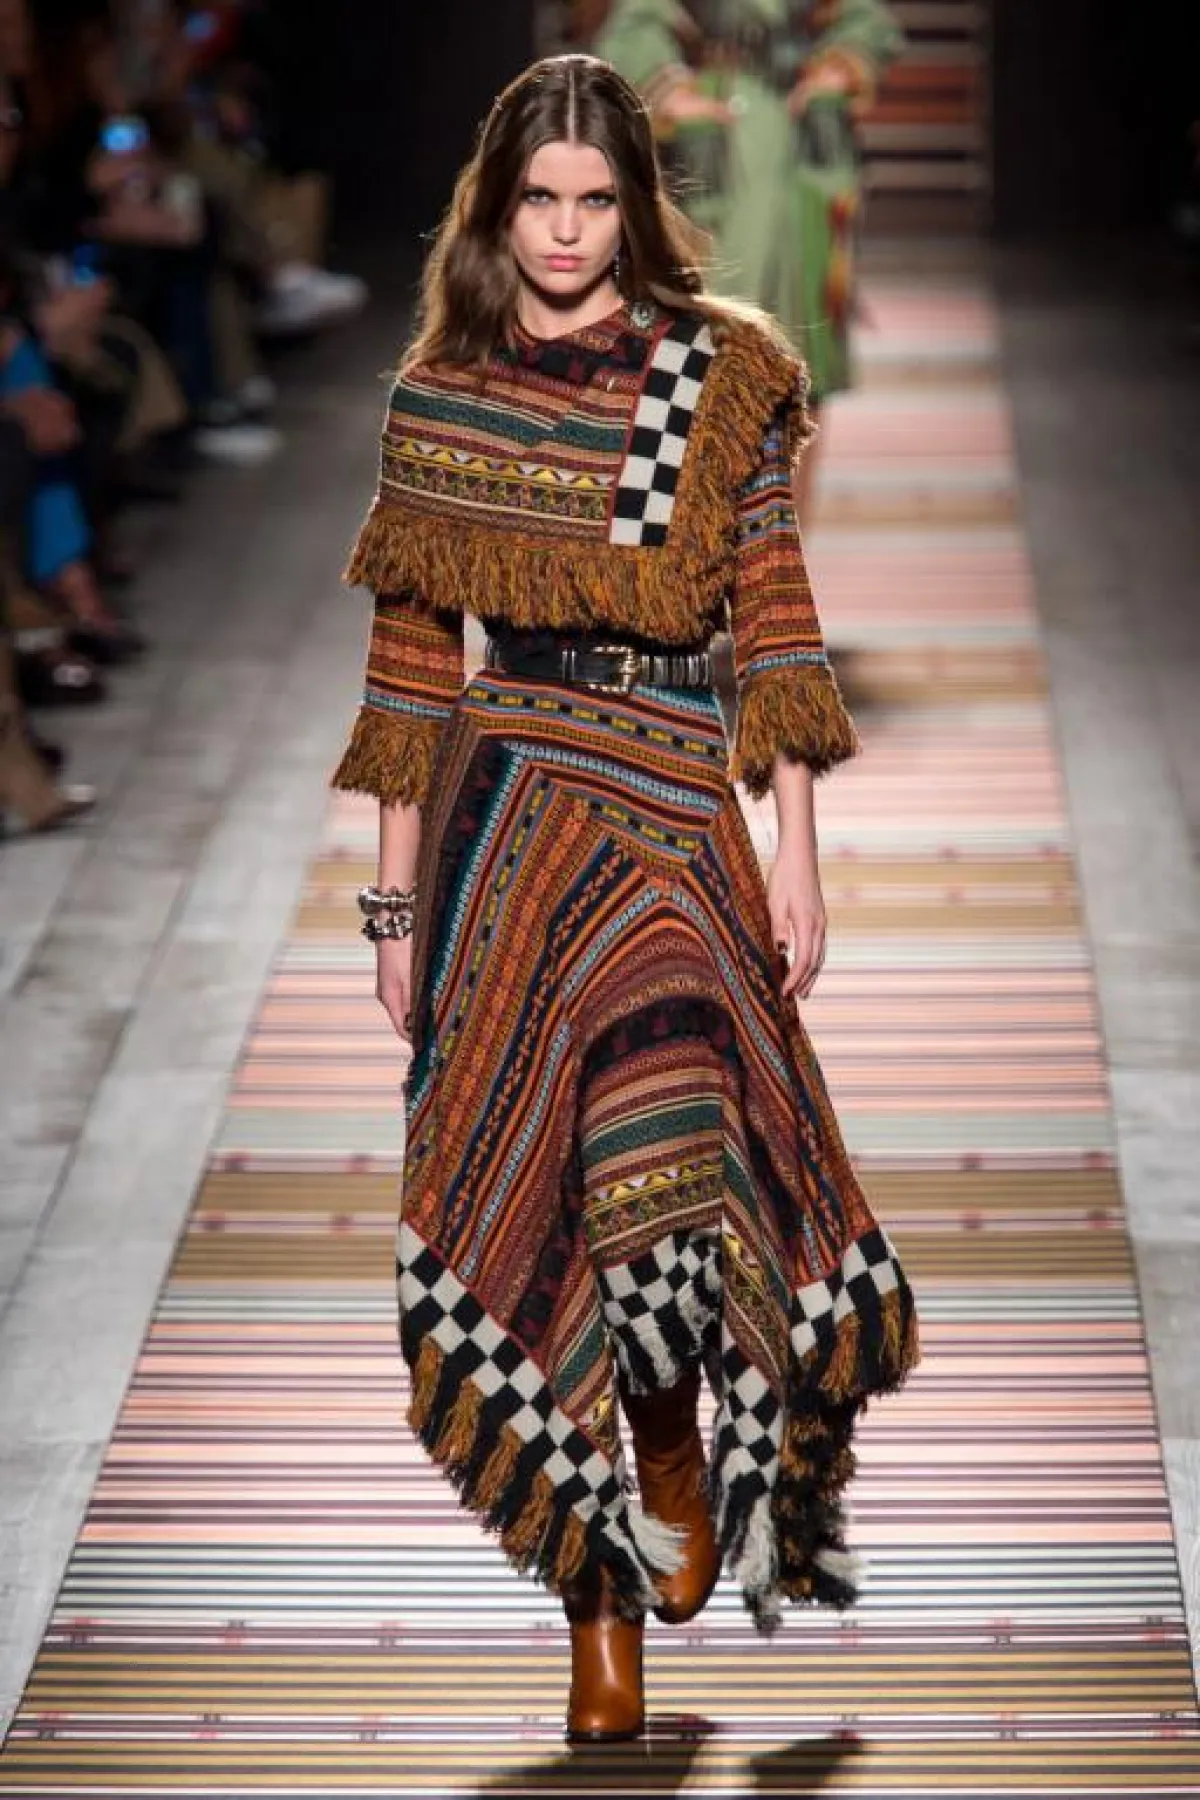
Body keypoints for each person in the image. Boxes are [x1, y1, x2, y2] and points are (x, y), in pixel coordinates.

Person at [331, 53, 918, 1745]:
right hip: (504, 815)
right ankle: (601, 1605)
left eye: (596, 200)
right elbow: (406, 675)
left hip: (669, 800)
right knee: (545, 1193)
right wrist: (395, 918)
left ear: (636, 208)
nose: (569, 230)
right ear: (496, 208)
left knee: (658, 1161)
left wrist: (796, 846)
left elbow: (775, 618)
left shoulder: (717, 379)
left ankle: (666, 1430)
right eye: (541, 199)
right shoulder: (440, 400)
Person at [594, 0, 903, 520]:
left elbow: (865, 15)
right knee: (706, 350)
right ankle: (698, 538)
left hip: (800, 147)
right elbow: (636, 18)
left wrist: (839, 66)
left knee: (801, 358)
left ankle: (785, 541)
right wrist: (669, 90)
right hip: (721, 147)